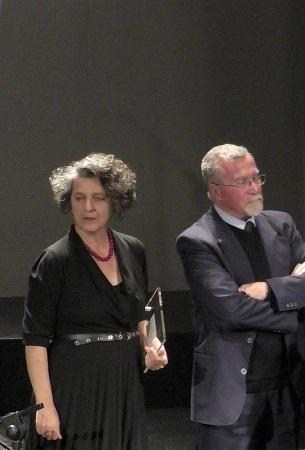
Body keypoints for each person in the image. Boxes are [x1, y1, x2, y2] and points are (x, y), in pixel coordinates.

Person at [176, 144, 305, 450]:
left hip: (285, 387)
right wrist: (295, 299)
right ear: (216, 191)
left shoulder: (281, 224)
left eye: (256, 178)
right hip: (232, 394)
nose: (254, 188)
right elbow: (233, 311)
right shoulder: (197, 240)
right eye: (242, 182)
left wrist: (269, 289)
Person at [22, 153, 168, 450]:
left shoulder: (133, 250)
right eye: (79, 198)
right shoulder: (54, 260)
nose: (88, 207)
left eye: (98, 198)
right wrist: (44, 407)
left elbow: (138, 316)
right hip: (75, 387)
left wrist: (150, 347)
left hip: (124, 385)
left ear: (114, 201)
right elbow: (35, 339)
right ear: (69, 201)